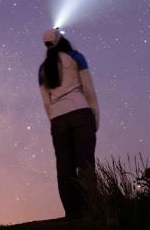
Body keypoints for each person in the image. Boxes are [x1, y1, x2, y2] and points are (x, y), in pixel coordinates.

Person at [38, 27, 100, 220]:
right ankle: (91, 209)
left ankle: (72, 214)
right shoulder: (76, 57)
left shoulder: (42, 69)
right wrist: (94, 116)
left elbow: (46, 102)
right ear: (61, 40)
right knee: (86, 164)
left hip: (58, 119)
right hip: (80, 112)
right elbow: (88, 89)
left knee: (64, 168)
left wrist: (55, 121)